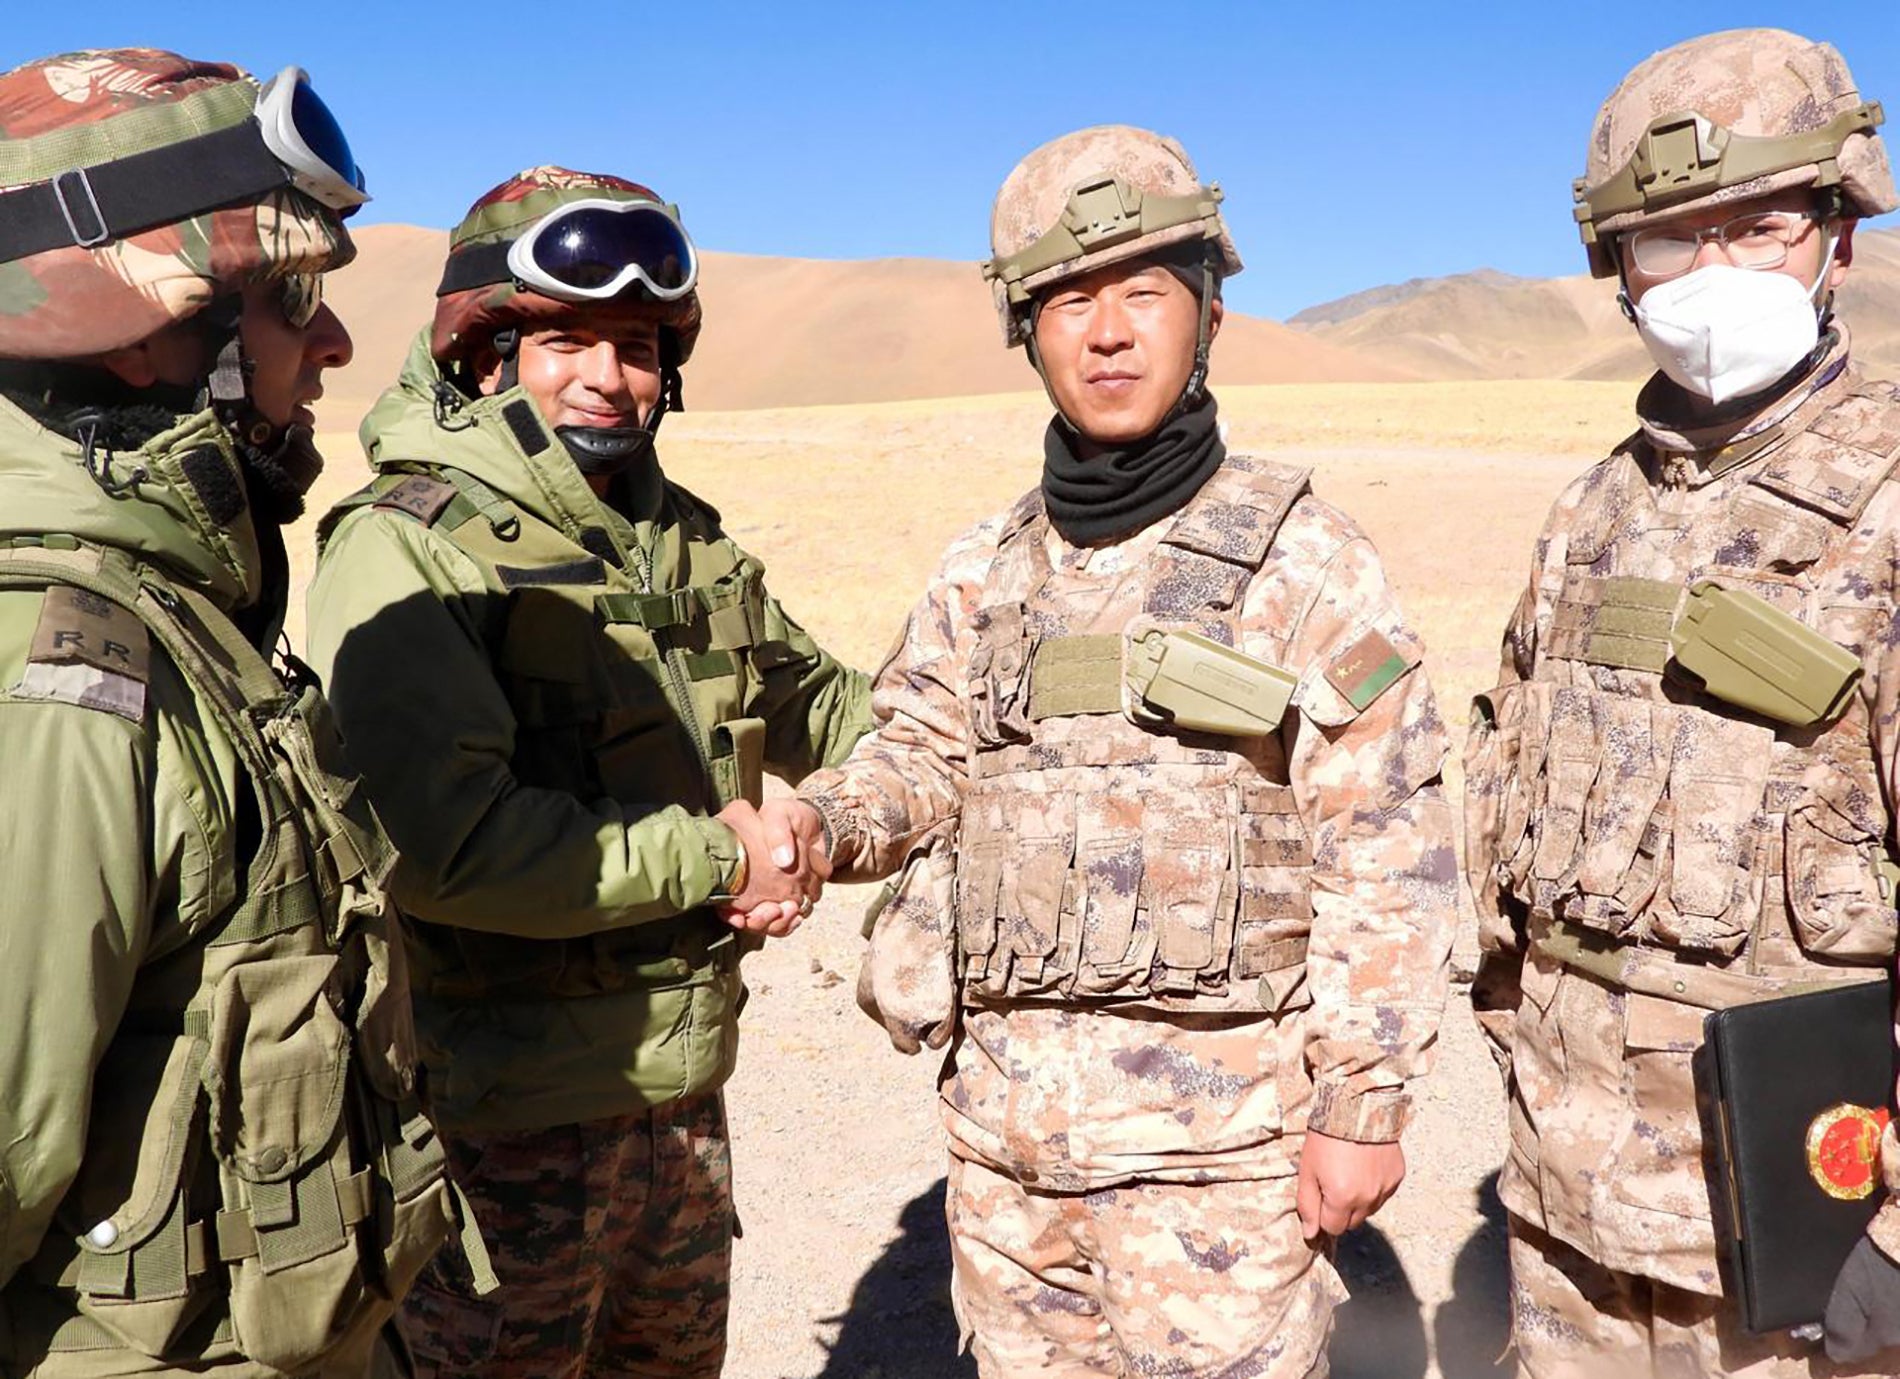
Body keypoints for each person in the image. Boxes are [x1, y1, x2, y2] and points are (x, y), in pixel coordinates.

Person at [781, 124, 1456, 1377]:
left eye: (1144, 290)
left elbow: (1385, 846)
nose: (1106, 331)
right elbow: (918, 755)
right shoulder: (983, 570)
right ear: (1026, 332)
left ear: (1206, 312)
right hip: (1004, 1162)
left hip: (1224, 1174)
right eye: (1069, 299)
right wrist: (822, 822)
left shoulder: (1305, 560)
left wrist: (1362, 1108)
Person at [304, 166, 872, 1378]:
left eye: (636, 344)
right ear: (483, 351)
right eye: (565, 338)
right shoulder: (410, 543)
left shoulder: (682, 537)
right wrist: (724, 855)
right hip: (493, 1132)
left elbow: (823, 701)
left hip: (676, 1100)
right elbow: (448, 845)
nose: (607, 376)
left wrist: (992, 718)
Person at [0, 48, 473, 1377]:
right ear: (149, 323)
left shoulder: (177, 621)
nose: (330, 340)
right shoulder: (62, 683)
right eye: (287, 296)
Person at [1463, 27, 1900, 1377]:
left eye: (1760, 224)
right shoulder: (1590, 512)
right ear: (1617, 270)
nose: (1714, 274)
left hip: (1803, 1254)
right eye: (1670, 240)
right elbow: (1505, 824)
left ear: (1836, 230)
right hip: (1569, 1223)